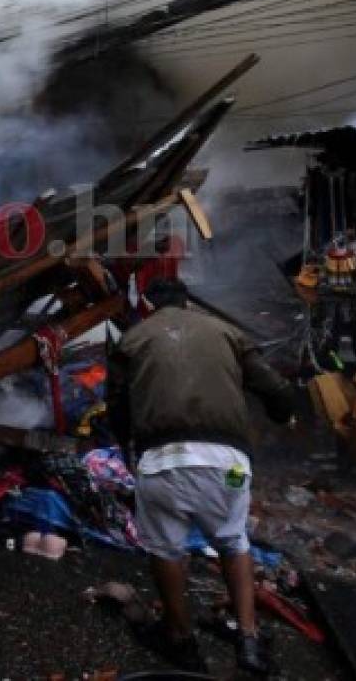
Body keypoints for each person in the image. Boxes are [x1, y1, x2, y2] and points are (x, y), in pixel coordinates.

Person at [106, 278, 295, 675]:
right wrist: (282, 413)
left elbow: (117, 408)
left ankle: (180, 638)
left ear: (148, 305)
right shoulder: (226, 331)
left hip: (162, 464)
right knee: (233, 540)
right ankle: (248, 639)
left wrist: (126, 451)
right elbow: (274, 388)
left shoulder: (132, 339)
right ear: (188, 302)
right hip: (226, 465)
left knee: (166, 549)